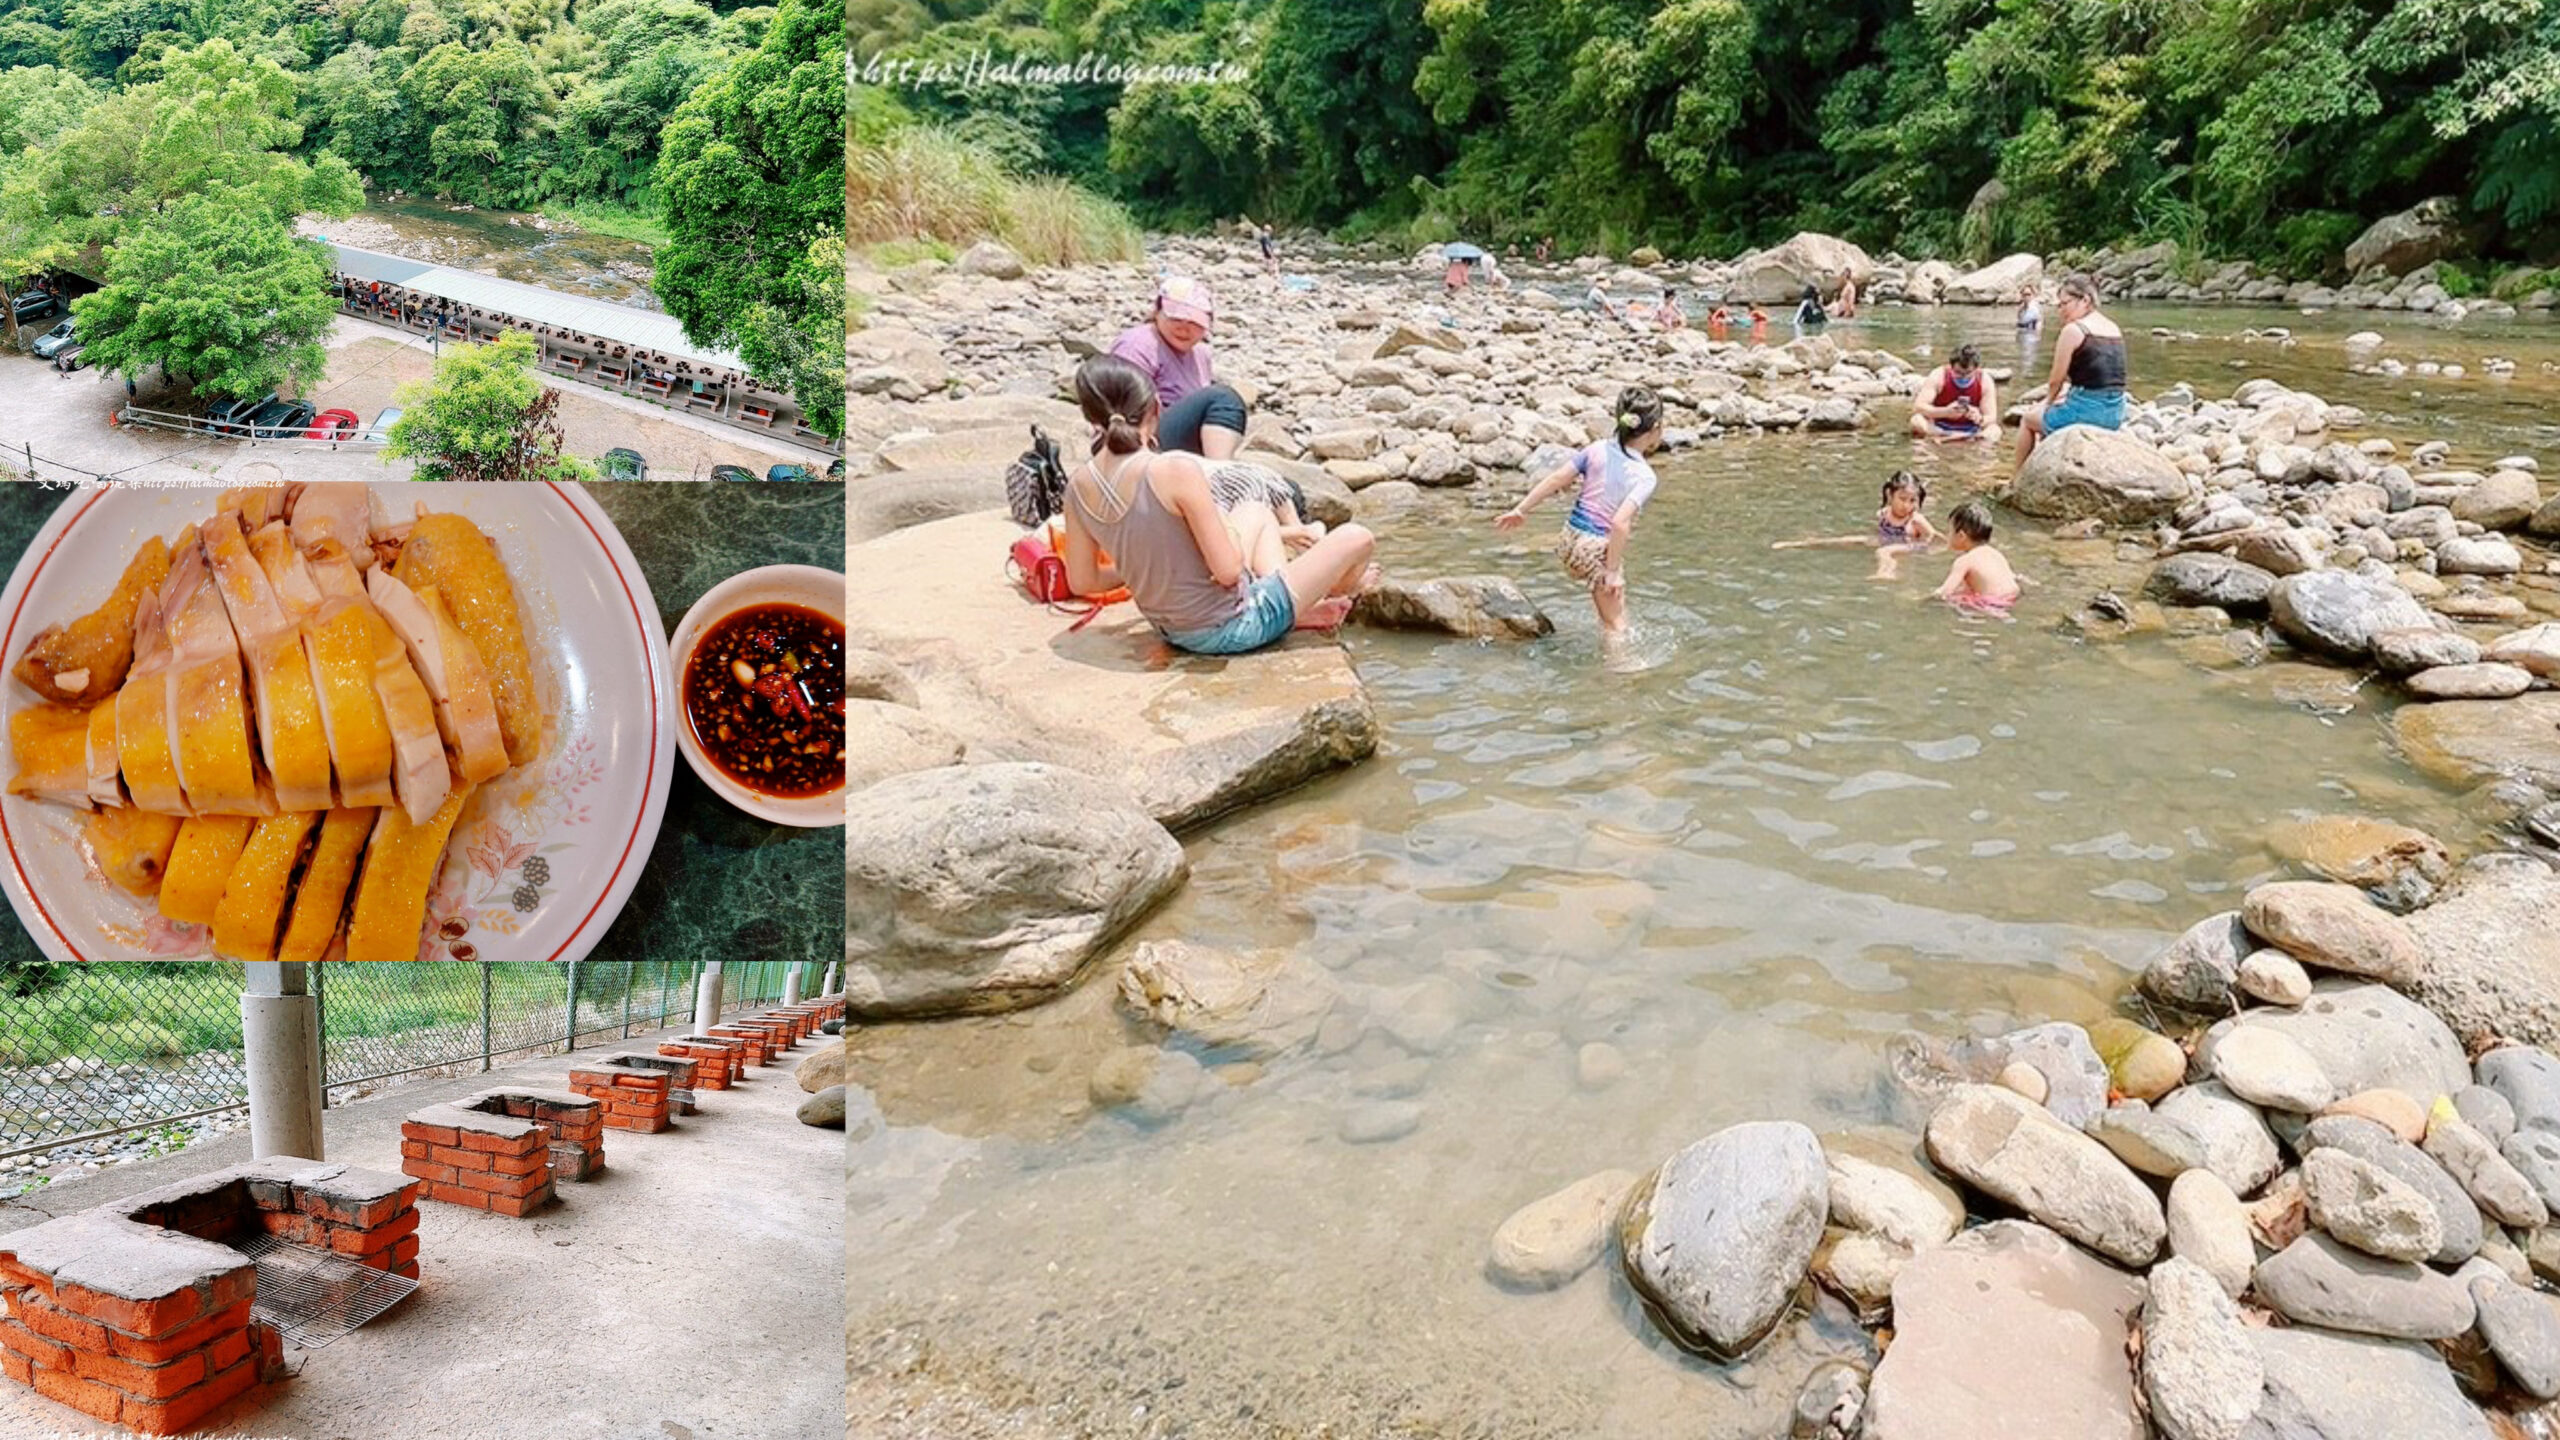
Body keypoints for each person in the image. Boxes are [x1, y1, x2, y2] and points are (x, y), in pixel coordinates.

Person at [1059, 355, 1378, 656]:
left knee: (1255, 510)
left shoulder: (1078, 486)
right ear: (1156, 408)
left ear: (1090, 418)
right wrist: (1224, 527)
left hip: (1169, 629)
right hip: (1231, 628)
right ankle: (1341, 591)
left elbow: (1083, 581)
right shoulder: (1174, 469)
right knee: (1358, 537)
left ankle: (1297, 606)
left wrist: (1142, 566)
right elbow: (1227, 571)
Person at [1493, 387, 1665, 650]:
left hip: (1568, 542)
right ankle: (1621, 680)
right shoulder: (1644, 475)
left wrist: (1521, 509)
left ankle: (1609, 657)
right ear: (1657, 428)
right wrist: (1612, 571)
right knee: (1618, 625)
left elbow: (1556, 479)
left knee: (1608, 616)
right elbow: (1620, 523)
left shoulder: (1596, 449)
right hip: (1594, 550)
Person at [1107, 275, 1251, 460]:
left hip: (1177, 449)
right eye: (1176, 319)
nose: (1184, 329)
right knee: (1223, 399)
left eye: (1194, 323)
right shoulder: (1137, 346)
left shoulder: (1200, 354)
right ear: (1158, 311)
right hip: (1133, 446)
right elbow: (1123, 413)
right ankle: (1219, 474)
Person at [2012, 274, 2127, 468]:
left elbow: (2056, 380)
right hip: (2115, 413)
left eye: (2064, 304)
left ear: (2085, 300)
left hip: (2088, 414)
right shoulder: (2113, 327)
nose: (2060, 311)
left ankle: (2017, 478)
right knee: (2060, 398)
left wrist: (2045, 404)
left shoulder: (2074, 330)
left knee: (2029, 419)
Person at [1773, 471, 1937, 579]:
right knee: (1850, 540)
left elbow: (1935, 538)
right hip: (1886, 540)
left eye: (1912, 501)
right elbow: (1878, 531)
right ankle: (1803, 543)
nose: (1907, 505)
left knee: (1884, 552)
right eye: (1902, 499)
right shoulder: (1884, 513)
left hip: (1909, 546)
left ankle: (1885, 573)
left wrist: (1920, 547)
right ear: (1890, 495)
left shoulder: (1916, 520)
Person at [1934, 501, 2019, 614]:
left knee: (1956, 600)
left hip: (1991, 602)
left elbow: (1945, 592)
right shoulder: (1995, 553)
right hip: (2013, 596)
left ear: (1961, 536)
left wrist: (1924, 599)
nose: (1947, 535)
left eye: (1949, 531)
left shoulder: (1964, 561)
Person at [1909, 344, 2000, 441]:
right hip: (1939, 427)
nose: (1963, 377)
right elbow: (1918, 407)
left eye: (1968, 373)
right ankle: (1951, 436)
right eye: (1958, 373)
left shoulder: (1984, 380)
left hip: (1972, 428)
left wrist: (1979, 418)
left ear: (1976, 369)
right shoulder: (1939, 376)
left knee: (1995, 430)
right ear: (1951, 367)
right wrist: (1946, 412)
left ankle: (1957, 438)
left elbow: (1991, 417)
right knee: (1916, 421)